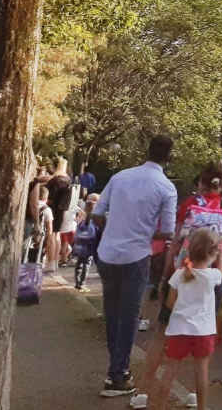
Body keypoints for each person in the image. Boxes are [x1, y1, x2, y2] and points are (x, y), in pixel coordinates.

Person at [92, 135, 178, 398]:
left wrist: (114, 228)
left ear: (147, 150)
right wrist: (142, 232)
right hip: (136, 255)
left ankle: (118, 368)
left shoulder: (120, 177)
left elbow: (97, 213)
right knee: (130, 316)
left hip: (107, 253)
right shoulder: (166, 188)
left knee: (113, 311)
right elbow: (168, 231)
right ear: (169, 157)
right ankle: (116, 375)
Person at [147, 229, 222, 410]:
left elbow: (169, 302)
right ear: (212, 253)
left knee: (170, 370)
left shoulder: (180, 274)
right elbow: (221, 274)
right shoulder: (212, 276)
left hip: (178, 329)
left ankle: (160, 406)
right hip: (203, 331)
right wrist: (221, 258)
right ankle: (202, 406)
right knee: (201, 371)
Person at [44, 157, 72, 273]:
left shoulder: (55, 181)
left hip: (53, 210)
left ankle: (50, 261)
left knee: (51, 236)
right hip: (62, 211)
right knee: (57, 236)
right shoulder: (68, 179)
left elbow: (50, 199)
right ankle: (54, 261)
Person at [73, 198, 98, 292]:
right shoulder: (95, 221)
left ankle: (77, 282)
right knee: (86, 264)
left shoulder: (82, 221)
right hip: (89, 246)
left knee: (79, 263)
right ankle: (82, 283)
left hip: (80, 245)